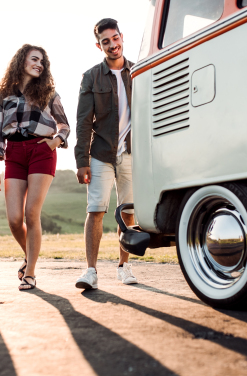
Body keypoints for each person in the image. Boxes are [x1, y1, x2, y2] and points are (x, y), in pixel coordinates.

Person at [0, 44, 70, 291]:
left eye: (42, 61)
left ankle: (31, 272)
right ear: (21, 62)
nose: (39, 64)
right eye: (34, 59)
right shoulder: (3, 97)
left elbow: (64, 125)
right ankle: (30, 255)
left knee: (30, 214)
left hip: (41, 151)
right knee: (15, 219)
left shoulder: (49, 93)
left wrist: (55, 142)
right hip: (13, 153)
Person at [74, 18, 137, 290]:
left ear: (122, 36)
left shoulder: (139, 71)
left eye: (115, 38)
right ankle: (91, 271)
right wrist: (81, 160)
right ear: (98, 45)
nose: (113, 45)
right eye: (106, 41)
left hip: (133, 153)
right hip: (101, 153)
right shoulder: (91, 77)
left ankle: (124, 266)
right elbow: (83, 121)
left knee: (129, 212)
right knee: (96, 210)